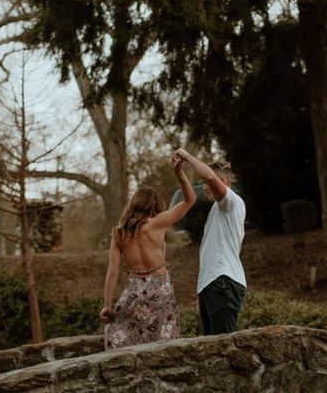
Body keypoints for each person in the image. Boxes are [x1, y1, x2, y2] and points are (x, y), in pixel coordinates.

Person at [100, 156, 196, 350]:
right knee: (166, 338)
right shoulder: (157, 223)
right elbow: (190, 199)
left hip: (134, 290)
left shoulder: (119, 233)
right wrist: (179, 174)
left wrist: (107, 305)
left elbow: (112, 271)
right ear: (153, 205)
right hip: (160, 287)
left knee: (123, 335)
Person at [174, 149, 246, 334]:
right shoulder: (217, 210)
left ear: (222, 182)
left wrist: (187, 156)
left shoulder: (230, 202)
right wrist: (180, 174)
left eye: (206, 182)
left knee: (224, 350)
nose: (205, 187)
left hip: (223, 283)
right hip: (213, 285)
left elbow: (211, 178)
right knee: (214, 352)